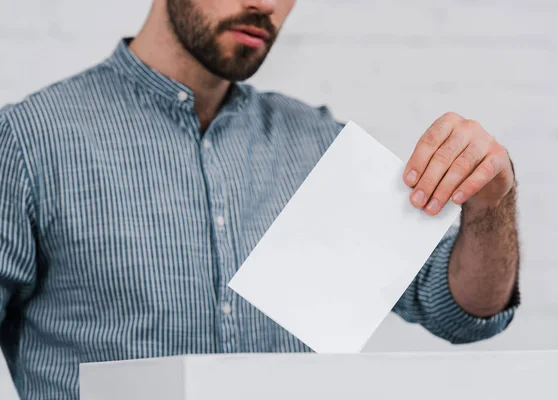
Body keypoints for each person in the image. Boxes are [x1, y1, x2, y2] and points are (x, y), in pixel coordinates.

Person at [0, 0, 521, 398]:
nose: (268, 5)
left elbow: (461, 312)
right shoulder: (28, 142)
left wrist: (490, 203)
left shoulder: (315, 142)